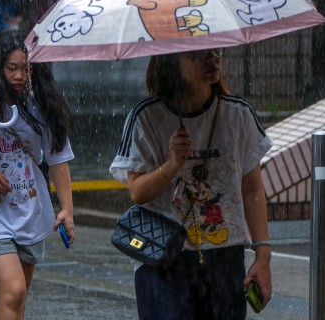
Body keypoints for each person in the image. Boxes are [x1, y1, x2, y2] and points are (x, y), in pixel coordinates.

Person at [110, 48, 273, 319]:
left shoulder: (238, 114)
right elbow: (137, 192)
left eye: (217, 49)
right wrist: (172, 164)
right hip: (163, 255)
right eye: (198, 53)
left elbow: (253, 189)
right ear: (172, 59)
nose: (213, 57)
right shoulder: (147, 116)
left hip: (225, 257)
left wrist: (263, 254)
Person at [0, 29, 75, 320]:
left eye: (24, 68)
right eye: (11, 68)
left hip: (29, 211)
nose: (18, 75)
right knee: (13, 290)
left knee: (17, 298)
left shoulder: (42, 104)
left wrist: (67, 209)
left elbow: (58, 158)